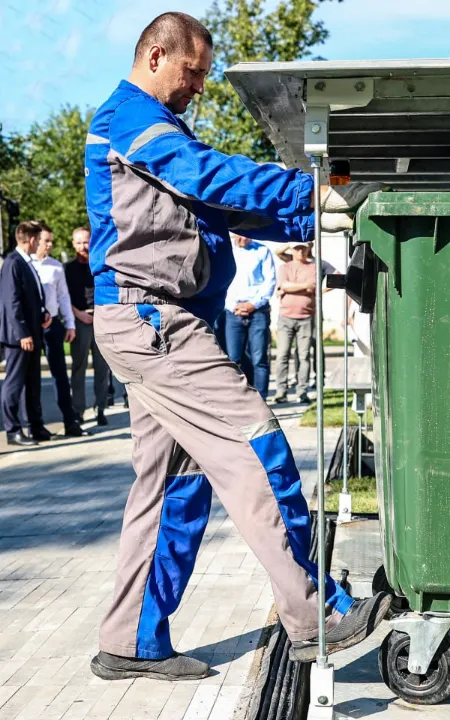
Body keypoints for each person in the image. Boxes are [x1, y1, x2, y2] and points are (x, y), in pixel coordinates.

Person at [84, 12, 386, 682]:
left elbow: (226, 209)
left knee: (175, 486)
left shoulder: (153, 125)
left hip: (157, 322)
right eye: (192, 73)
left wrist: (325, 200)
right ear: (157, 55)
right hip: (155, 323)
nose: (198, 87)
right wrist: (312, 185)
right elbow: (208, 178)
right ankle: (316, 614)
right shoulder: (128, 120)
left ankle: (130, 638)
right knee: (259, 446)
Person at [0, 221, 51, 447]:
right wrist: (22, 332)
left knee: (33, 382)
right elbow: (11, 302)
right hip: (19, 337)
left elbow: (30, 297)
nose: (39, 243)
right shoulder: (13, 263)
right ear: (31, 240)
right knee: (14, 384)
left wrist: (43, 312)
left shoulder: (25, 262)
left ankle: (36, 426)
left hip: (33, 331)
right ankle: (13, 431)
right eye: (38, 240)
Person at [32, 223, 85, 437]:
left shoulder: (56, 266)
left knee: (60, 376)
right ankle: (36, 425)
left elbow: (64, 297)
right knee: (33, 378)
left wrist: (70, 324)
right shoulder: (26, 266)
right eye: (47, 241)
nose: (50, 245)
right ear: (35, 240)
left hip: (54, 325)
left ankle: (70, 421)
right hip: (33, 326)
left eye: (52, 241)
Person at [273, 242, 333, 405]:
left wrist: (290, 288)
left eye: (303, 248)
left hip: (306, 316)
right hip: (286, 316)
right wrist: (296, 287)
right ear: (292, 250)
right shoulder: (284, 267)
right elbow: (284, 285)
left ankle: (302, 391)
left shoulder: (314, 267)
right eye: (297, 248)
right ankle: (281, 391)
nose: (300, 251)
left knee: (304, 355)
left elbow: (311, 286)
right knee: (282, 355)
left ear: (308, 249)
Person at [65, 227, 110, 426]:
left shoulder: (100, 264)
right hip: (79, 320)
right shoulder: (67, 269)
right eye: (79, 242)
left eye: (86, 242)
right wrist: (78, 314)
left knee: (103, 368)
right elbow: (62, 298)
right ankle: (78, 410)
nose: (83, 246)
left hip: (100, 319)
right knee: (79, 367)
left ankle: (100, 408)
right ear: (73, 244)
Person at [224, 233, 276, 399]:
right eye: (240, 235)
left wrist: (253, 304)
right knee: (233, 358)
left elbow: (270, 281)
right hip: (233, 310)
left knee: (259, 358)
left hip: (257, 310)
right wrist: (233, 306)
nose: (244, 238)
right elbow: (222, 282)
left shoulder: (262, 250)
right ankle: (238, 399)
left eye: (247, 235)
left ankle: (262, 399)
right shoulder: (226, 252)